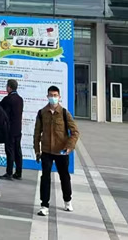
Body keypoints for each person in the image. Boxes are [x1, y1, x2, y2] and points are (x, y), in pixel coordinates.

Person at [33, 85, 79, 217]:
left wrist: (69, 146)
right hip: (46, 151)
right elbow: (37, 133)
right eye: (51, 95)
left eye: (55, 95)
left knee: (64, 176)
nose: (53, 98)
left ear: (59, 97)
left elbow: (75, 132)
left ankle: (67, 200)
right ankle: (44, 205)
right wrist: (37, 150)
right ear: (47, 97)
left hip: (61, 151)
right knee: (45, 177)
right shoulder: (42, 113)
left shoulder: (64, 113)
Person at [0, 78, 24, 180]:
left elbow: (2, 110)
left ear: (9, 87)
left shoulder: (8, 99)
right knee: (18, 151)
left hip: (9, 130)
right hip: (18, 129)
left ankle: (9, 172)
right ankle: (18, 172)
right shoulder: (20, 99)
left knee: (9, 151)